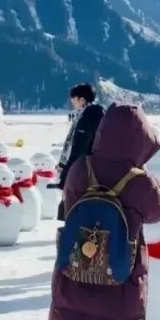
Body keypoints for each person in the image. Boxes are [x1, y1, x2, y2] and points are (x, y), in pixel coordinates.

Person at [48, 103, 160, 320]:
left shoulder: (80, 168)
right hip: (120, 272)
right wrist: (156, 183)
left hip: (77, 262)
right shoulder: (139, 180)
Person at [56, 83, 105, 220]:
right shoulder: (94, 114)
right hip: (89, 170)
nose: (74, 105)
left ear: (82, 100)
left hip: (84, 172)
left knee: (75, 207)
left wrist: (65, 175)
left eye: (74, 101)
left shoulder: (88, 117)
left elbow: (79, 149)